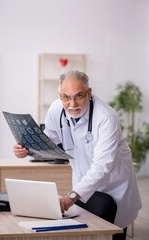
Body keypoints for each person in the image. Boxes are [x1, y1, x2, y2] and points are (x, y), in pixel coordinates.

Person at [14, 70, 142, 240]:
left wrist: (72, 196)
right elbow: (48, 141)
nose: (72, 103)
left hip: (114, 184)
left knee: (112, 232)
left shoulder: (106, 117)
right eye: (65, 97)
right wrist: (27, 150)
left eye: (79, 96)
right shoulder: (56, 109)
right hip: (83, 183)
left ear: (89, 93)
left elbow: (102, 166)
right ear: (59, 95)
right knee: (86, 232)